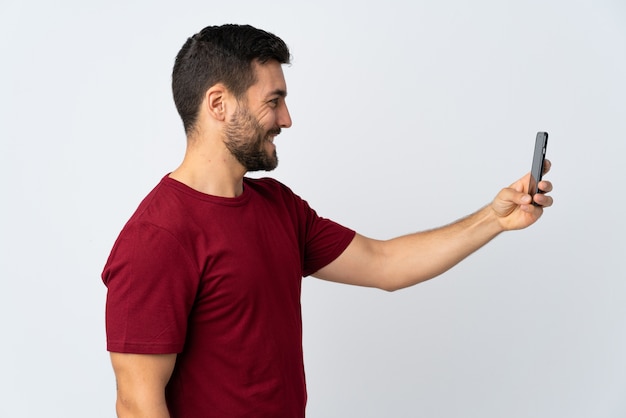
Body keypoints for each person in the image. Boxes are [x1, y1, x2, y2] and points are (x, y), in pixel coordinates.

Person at [102, 24, 553, 418]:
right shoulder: (157, 238)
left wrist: (494, 219)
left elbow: (384, 263)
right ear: (218, 103)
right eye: (273, 100)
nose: (287, 119)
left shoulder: (276, 205)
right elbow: (137, 405)